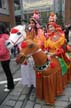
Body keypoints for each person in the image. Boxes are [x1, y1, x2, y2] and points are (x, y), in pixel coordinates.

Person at [0, 23, 14, 92]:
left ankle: (10, 86)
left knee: (7, 73)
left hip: (4, 58)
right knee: (8, 72)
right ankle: (10, 84)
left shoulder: (2, 38)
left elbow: (2, 52)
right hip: (7, 57)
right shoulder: (6, 36)